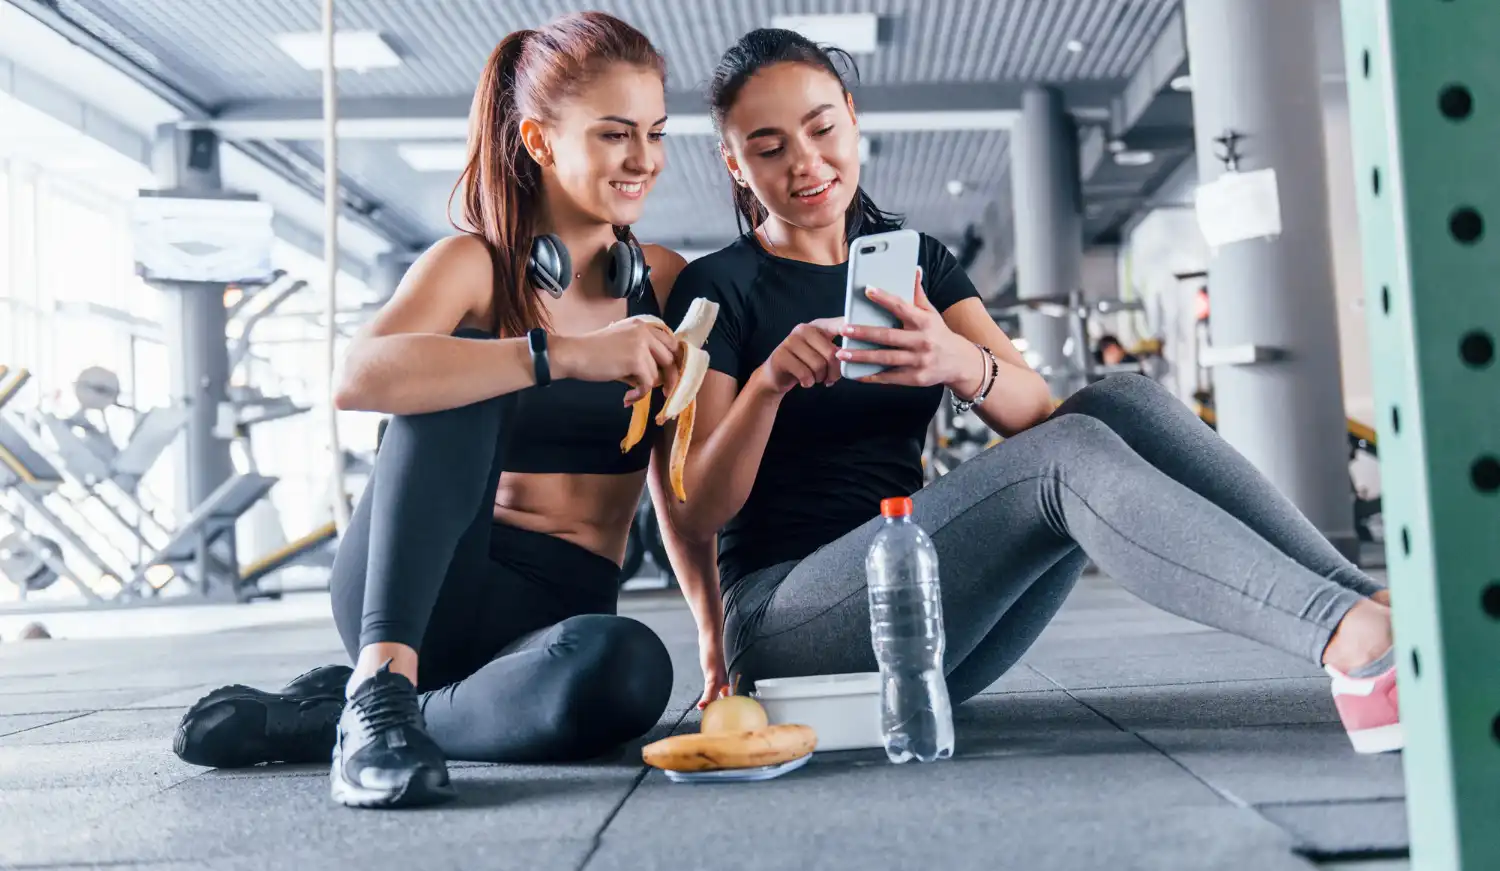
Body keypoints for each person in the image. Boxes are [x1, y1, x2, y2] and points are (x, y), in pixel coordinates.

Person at [658, 29, 1402, 757]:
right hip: (790, 624)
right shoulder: (719, 287)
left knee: (1119, 401)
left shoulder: (918, 262)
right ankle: (1351, 642)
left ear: (851, 114)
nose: (806, 162)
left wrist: (956, 360)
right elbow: (697, 509)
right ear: (733, 162)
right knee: (1064, 457)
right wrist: (768, 384)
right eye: (768, 147)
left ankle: (1368, 602)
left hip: (919, 616)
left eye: (822, 128)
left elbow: (1036, 410)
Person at [172, 13, 723, 809]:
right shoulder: (474, 263)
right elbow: (357, 375)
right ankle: (382, 678)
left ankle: (356, 711)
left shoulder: (665, 284)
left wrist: (714, 642)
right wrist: (553, 354)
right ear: (539, 141)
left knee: (630, 671)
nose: (643, 159)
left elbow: (676, 488)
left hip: (553, 617)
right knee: (458, 367)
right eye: (613, 134)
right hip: (418, 589)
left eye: (655, 132)